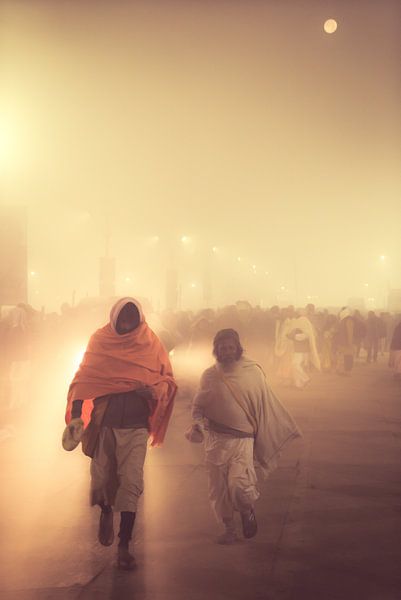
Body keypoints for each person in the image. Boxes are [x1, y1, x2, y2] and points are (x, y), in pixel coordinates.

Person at [63, 297, 177, 570]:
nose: (126, 323)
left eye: (131, 318)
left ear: (138, 319)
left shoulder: (151, 342)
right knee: (102, 478)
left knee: (131, 482)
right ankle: (105, 511)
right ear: (114, 318)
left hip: (137, 426)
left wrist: (153, 391)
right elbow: (84, 380)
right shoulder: (100, 341)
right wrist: (77, 417)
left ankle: (124, 545)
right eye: (122, 318)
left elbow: (167, 381)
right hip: (105, 423)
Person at [189, 328, 301, 544]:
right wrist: (197, 424)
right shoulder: (209, 375)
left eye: (231, 347)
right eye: (223, 348)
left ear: (238, 348)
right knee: (219, 490)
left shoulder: (252, 372)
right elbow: (198, 406)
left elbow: (264, 401)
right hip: (215, 442)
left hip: (243, 440)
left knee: (239, 485)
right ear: (216, 350)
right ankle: (229, 529)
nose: (227, 352)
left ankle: (247, 510)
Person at [335, 307, 355, 376]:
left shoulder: (342, 320)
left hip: (342, 342)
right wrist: (350, 343)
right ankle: (346, 371)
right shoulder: (348, 320)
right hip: (346, 342)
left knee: (343, 356)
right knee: (348, 357)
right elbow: (350, 332)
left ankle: (341, 370)